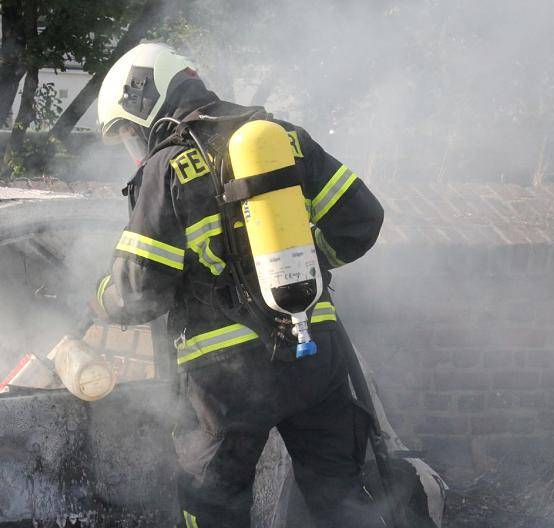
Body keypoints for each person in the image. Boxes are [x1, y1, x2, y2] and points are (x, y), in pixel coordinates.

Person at [89, 42, 386, 528]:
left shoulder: (168, 166)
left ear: (143, 101)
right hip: (313, 349)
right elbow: (362, 218)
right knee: (340, 496)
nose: (132, 145)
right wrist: (307, 267)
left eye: (127, 131)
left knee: (213, 506)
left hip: (225, 377)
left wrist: (100, 299)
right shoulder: (283, 138)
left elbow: (140, 291)